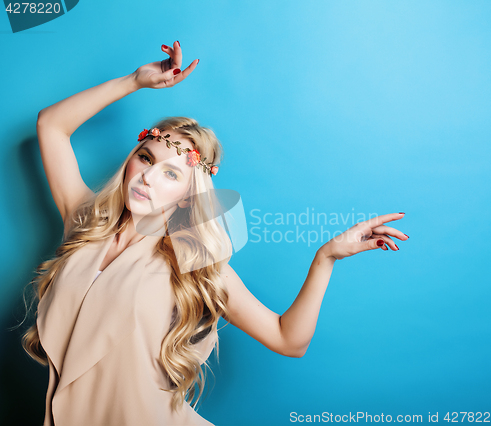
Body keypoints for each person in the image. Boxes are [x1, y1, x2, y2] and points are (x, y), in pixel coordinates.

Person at [21, 40, 408, 426]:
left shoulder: (194, 264)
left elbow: (288, 339)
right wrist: (134, 81)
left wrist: (325, 259)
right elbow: (51, 125)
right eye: (146, 158)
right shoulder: (85, 223)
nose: (148, 178)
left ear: (188, 196)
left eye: (171, 174)